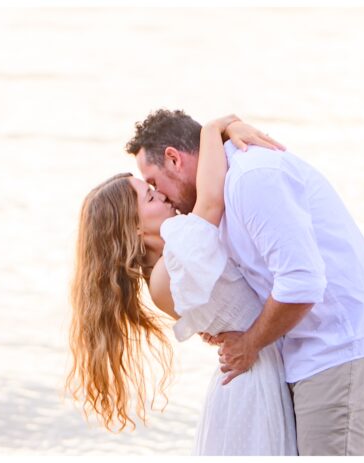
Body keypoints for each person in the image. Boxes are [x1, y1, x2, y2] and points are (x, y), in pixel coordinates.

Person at [127, 109, 364, 455]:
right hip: (297, 355)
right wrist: (222, 126)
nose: (163, 197)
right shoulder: (214, 201)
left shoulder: (252, 177)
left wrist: (249, 344)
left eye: (155, 184)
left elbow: (302, 283)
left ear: (173, 158)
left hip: (338, 346)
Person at [67, 115, 296, 455]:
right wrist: (216, 127)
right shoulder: (171, 265)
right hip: (251, 377)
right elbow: (210, 200)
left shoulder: (168, 267)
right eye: (149, 196)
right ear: (133, 229)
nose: (161, 196)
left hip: (248, 369)